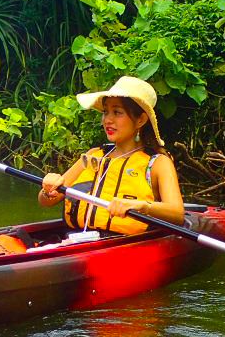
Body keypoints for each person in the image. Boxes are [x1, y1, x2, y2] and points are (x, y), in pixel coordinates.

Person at [38, 76, 184, 232]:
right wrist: (48, 188)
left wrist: (143, 207)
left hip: (126, 246)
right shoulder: (93, 155)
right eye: (106, 112)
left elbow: (177, 213)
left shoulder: (158, 163)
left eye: (117, 113)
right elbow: (46, 201)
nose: (108, 119)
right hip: (77, 241)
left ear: (140, 120)